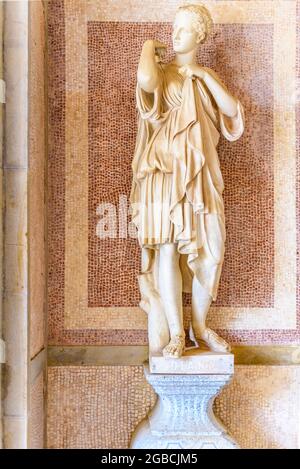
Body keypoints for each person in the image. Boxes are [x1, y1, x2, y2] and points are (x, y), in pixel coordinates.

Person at [130, 3, 245, 358]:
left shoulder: (202, 76)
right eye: (174, 28)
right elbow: (146, 80)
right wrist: (149, 45)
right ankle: (177, 333)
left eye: (183, 29)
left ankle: (200, 326)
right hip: (165, 173)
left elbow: (231, 111)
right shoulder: (162, 74)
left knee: (210, 251)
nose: (175, 34)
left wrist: (203, 74)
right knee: (167, 248)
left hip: (200, 176)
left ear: (199, 35)